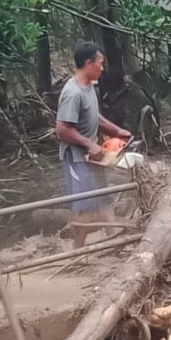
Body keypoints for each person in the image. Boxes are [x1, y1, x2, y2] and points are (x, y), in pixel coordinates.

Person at [55, 42, 133, 249]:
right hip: (77, 158)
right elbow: (62, 129)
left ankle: (115, 242)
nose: (102, 67)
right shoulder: (72, 93)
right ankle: (78, 250)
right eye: (100, 63)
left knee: (104, 198)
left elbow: (93, 115)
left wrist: (115, 131)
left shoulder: (89, 87)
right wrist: (89, 144)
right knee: (84, 206)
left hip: (93, 157)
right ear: (88, 63)